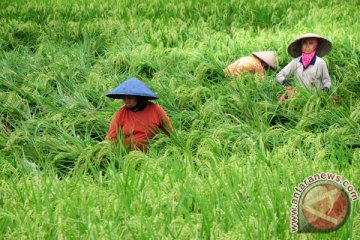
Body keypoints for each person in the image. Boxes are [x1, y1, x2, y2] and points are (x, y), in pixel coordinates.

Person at [105, 77, 173, 152]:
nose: (126, 101)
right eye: (124, 98)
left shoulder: (156, 110)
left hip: (153, 155)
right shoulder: (120, 114)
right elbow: (111, 138)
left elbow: (170, 133)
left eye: (129, 97)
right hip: (128, 156)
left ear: (139, 97)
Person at [276, 33, 332, 104]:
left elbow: (327, 80)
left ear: (315, 45)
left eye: (311, 43)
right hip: (298, 97)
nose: (307, 46)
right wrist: (286, 83)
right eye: (304, 43)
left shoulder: (320, 62)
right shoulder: (295, 62)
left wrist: (325, 90)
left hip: (316, 99)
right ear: (301, 46)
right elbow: (279, 75)